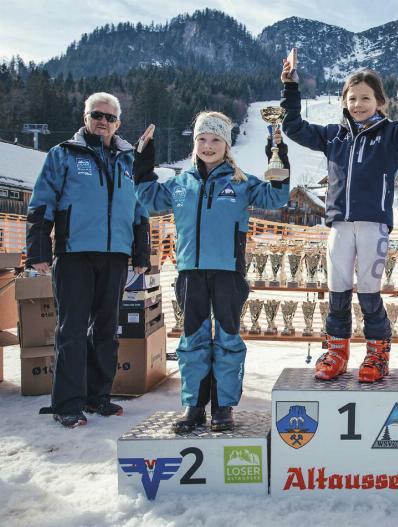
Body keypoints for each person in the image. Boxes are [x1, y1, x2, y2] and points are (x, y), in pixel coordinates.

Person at [280, 54, 398, 382]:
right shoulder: (332, 136)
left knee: (368, 291)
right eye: (352, 98)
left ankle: (377, 353)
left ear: (380, 102)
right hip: (338, 224)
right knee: (337, 291)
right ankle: (336, 349)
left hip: (373, 225)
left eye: (366, 98)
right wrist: (291, 88)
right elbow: (292, 127)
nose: (358, 104)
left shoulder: (390, 134)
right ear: (343, 102)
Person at [134, 111, 289, 433]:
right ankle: (193, 408)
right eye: (202, 139)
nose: (208, 145)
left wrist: (278, 158)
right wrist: (144, 161)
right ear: (194, 143)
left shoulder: (240, 182)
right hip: (190, 273)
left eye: (216, 139)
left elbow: (277, 196)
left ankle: (223, 407)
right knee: (193, 342)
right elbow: (149, 200)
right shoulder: (180, 183)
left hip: (228, 274)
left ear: (226, 145)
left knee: (228, 342)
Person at [26, 92, 150, 428]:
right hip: (75, 254)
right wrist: (38, 251)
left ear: (118, 123)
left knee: (108, 330)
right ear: (86, 117)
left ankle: (99, 397)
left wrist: (142, 252)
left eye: (110, 117)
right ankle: (68, 403)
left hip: (115, 256)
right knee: (73, 330)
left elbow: (140, 211)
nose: (103, 121)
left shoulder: (128, 162)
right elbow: (41, 202)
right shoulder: (63, 155)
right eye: (97, 114)